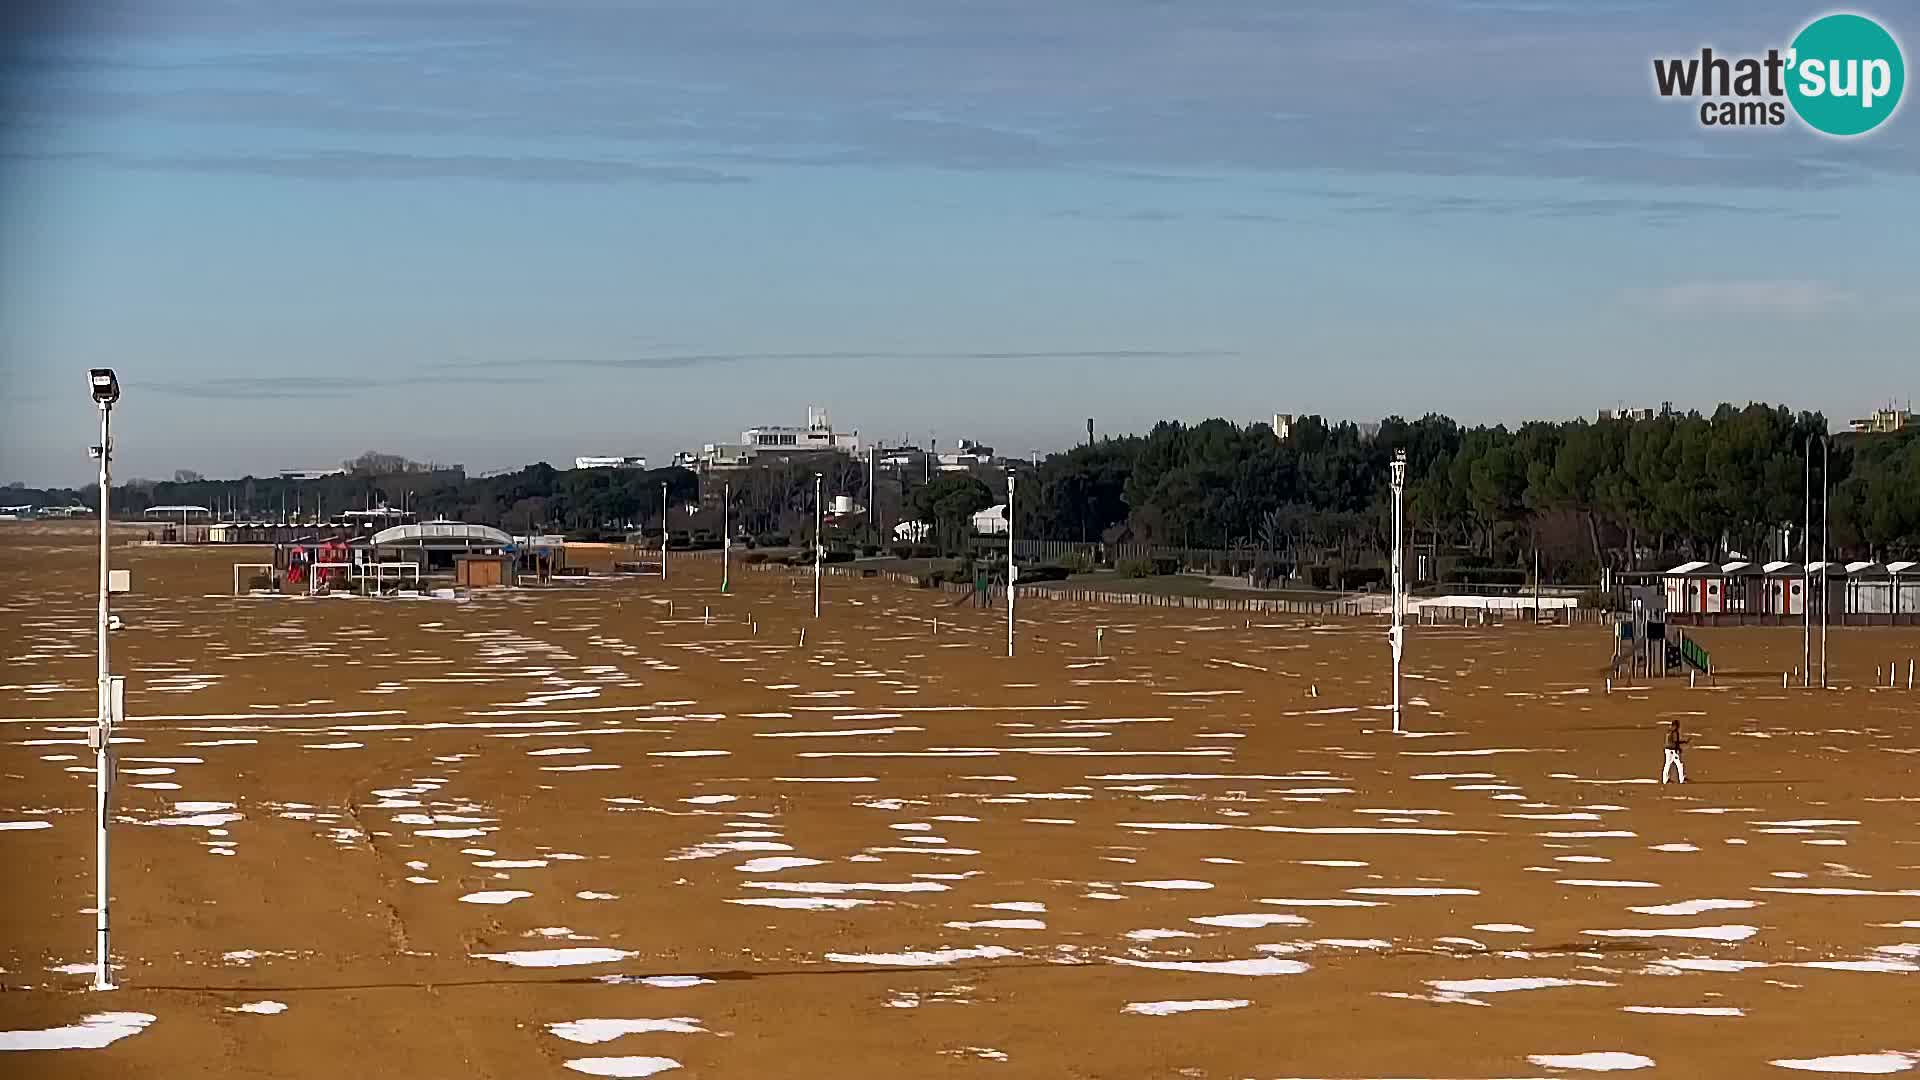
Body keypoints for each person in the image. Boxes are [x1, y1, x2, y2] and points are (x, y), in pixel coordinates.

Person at [1661, 717, 1688, 785]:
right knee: (1679, 765)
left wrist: (1683, 742)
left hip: (1668, 750)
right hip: (1672, 751)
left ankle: (1665, 780)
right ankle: (1681, 780)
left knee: (1667, 765)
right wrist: (1678, 749)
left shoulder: (1669, 731)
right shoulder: (1674, 732)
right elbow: (1675, 742)